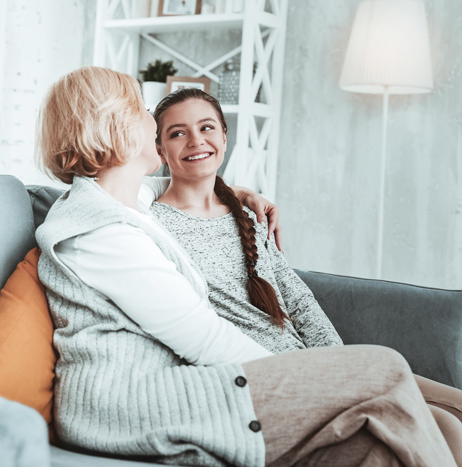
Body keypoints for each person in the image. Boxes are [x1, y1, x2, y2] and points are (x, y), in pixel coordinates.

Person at [35, 65, 455, 466]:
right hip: (133, 405)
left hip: (172, 389)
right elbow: (204, 340)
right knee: (383, 367)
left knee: (378, 453)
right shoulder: (102, 234)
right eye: (143, 110)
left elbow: (177, 186)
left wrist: (235, 193)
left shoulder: (124, 202)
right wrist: (317, 378)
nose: (151, 118)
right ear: (117, 127)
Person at [148, 87, 462, 463]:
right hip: (263, 380)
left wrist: (342, 364)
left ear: (225, 136)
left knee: (452, 418)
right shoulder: (152, 224)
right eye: (177, 133)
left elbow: (298, 300)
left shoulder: (246, 215)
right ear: (160, 150)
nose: (196, 141)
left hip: (313, 362)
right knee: (441, 423)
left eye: (207, 127)